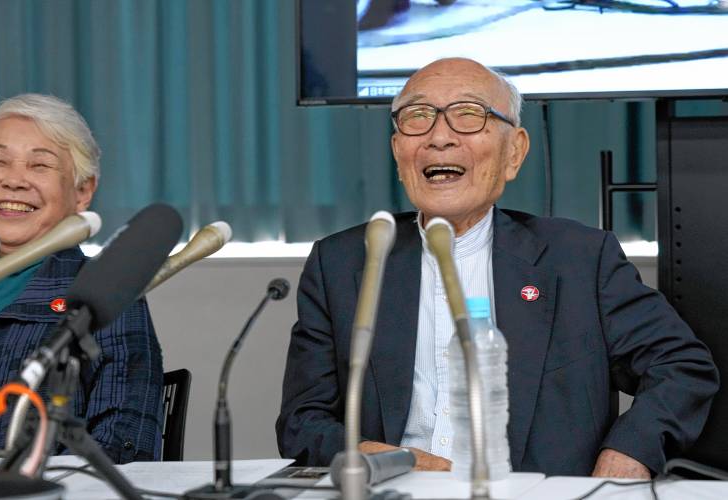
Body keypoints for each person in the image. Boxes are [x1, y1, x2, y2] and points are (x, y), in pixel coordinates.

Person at [276, 58, 719, 477]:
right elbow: (302, 422)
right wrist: (374, 454)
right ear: (398, 151)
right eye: (418, 116)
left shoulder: (580, 258)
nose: (439, 137)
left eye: (468, 115)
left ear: (514, 152)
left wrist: (629, 452)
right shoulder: (343, 264)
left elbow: (681, 365)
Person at [0, 94, 163, 463]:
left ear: (82, 192)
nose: (15, 181)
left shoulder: (106, 293)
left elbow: (123, 445)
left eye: (39, 165)